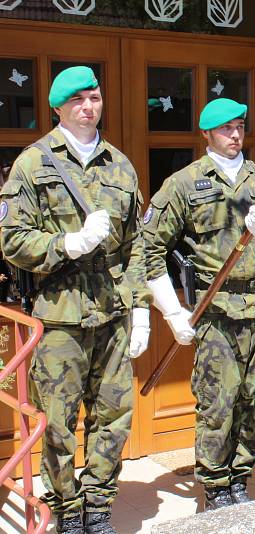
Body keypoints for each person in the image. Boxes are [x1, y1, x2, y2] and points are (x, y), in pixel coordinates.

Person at [0, 66, 150, 534]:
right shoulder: (33, 163)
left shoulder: (120, 164)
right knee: (59, 422)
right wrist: (67, 245)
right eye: (78, 100)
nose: (89, 107)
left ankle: (99, 507)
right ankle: (66, 511)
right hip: (59, 315)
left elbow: (137, 244)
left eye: (95, 97)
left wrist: (141, 306)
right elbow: (11, 239)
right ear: (59, 108)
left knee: (113, 416)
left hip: (111, 311)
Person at [143, 98, 255, 510]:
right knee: (218, 400)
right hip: (215, 310)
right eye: (225, 129)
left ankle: (241, 475)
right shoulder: (184, 184)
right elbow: (150, 249)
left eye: (240, 126)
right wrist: (171, 310)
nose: (235, 135)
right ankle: (216, 483)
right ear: (206, 134)